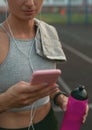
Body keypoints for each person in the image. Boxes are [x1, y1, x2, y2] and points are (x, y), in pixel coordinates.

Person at [0, 0, 88, 130]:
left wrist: (59, 98)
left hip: (48, 123)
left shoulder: (49, 32)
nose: (30, 3)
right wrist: (5, 102)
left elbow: (46, 84)